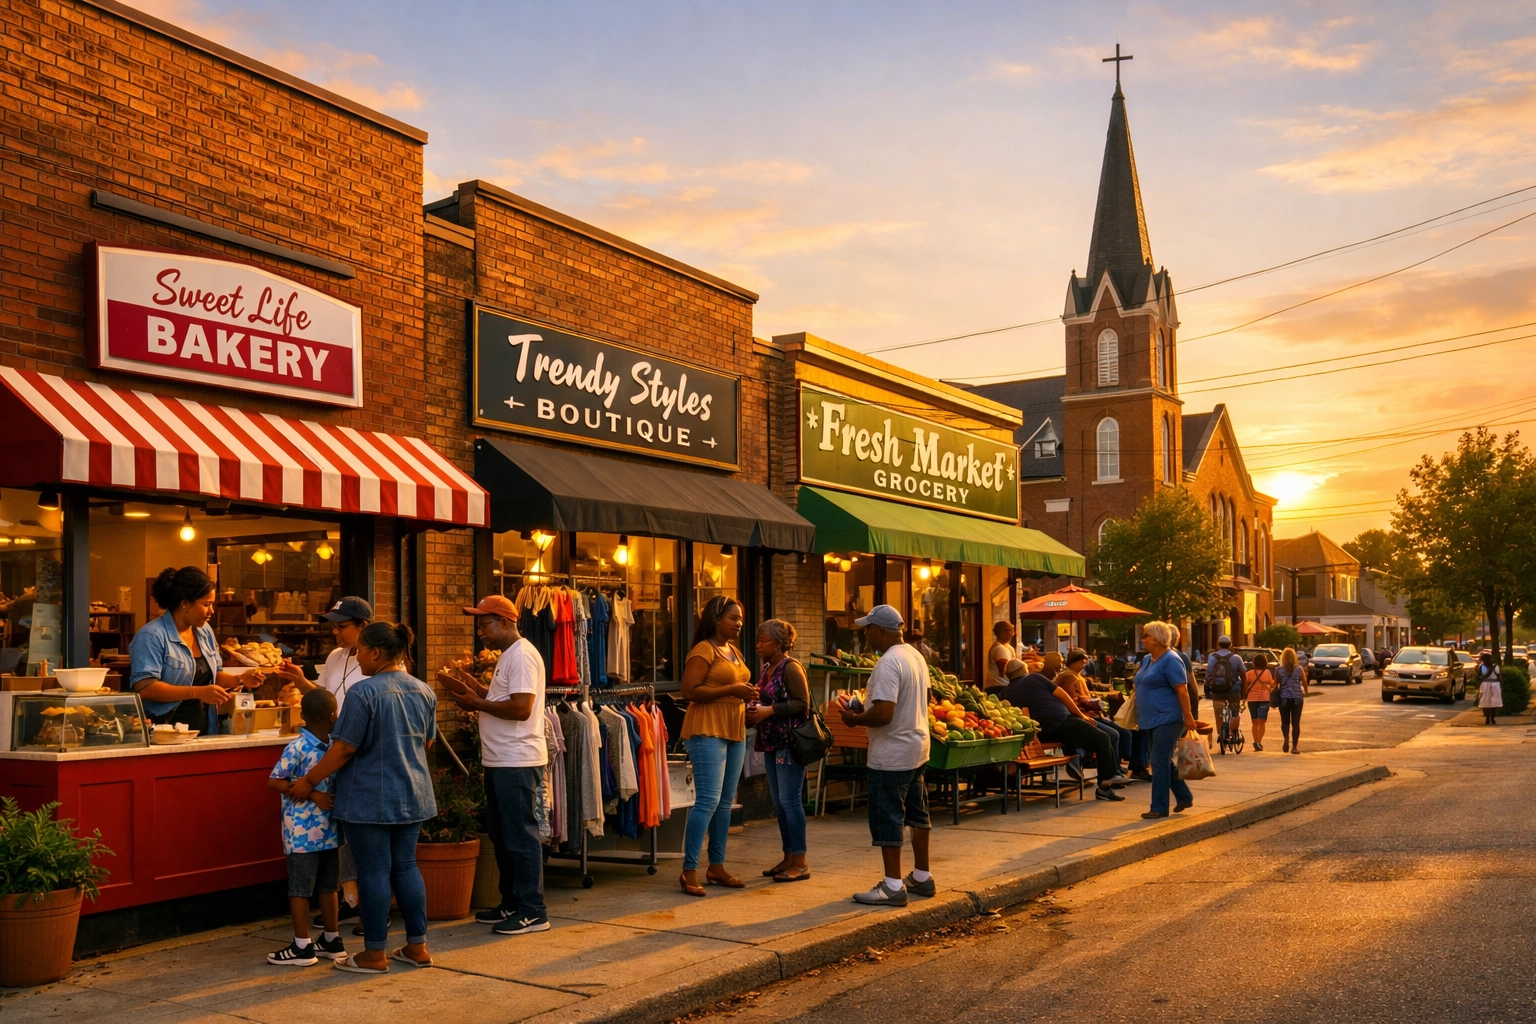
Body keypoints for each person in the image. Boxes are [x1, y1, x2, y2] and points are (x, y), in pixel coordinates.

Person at [289, 622, 437, 973]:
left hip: (369, 797)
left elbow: (342, 749)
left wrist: (308, 781)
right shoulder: (424, 690)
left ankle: (374, 953)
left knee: (373, 870)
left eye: (359, 652)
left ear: (376, 653)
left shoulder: (363, 693)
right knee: (406, 867)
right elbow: (427, 743)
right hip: (413, 793)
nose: (356, 658)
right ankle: (417, 947)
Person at [439, 595, 550, 935]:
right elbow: (505, 700)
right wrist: (475, 689)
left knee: (520, 836)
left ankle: (533, 909)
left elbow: (521, 709)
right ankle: (512, 902)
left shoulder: (521, 657)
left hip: (517, 759)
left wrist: (478, 703)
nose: (480, 632)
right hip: (501, 759)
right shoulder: (509, 657)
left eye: (484, 625)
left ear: (504, 621)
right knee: (503, 836)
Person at [270, 595, 374, 924]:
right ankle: (350, 900)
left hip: (358, 754)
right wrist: (301, 681)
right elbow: (324, 696)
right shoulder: (335, 657)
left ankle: (372, 907)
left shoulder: (374, 660)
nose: (336, 633)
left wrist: (310, 781)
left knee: (360, 834)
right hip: (331, 752)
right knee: (338, 831)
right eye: (333, 627)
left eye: (342, 627)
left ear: (364, 627)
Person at [839, 605, 935, 906]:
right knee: (918, 814)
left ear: (881, 630)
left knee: (888, 817)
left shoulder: (887, 663)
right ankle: (922, 876)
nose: (865, 634)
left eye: (868, 628)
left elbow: (884, 713)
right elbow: (927, 698)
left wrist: (855, 718)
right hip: (918, 746)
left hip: (890, 753)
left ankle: (892, 886)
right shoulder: (915, 656)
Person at [677, 596, 757, 897]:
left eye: (740, 619)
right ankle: (688, 870)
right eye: (733, 618)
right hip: (706, 729)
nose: (739, 623)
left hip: (734, 730)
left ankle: (717, 866)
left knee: (726, 803)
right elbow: (689, 690)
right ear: (715, 618)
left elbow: (733, 688)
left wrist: (746, 696)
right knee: (707, 801)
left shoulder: (733, 651)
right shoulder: (703, 649)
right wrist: (733, 689)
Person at [130, 566, 267, 734]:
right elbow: (145, 688)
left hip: (205, 729)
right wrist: (196, 692)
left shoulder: (204, 631)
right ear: (185, 604)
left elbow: (213, 674)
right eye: (206, 604)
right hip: (164, 732)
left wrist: (239, 679)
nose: (212, 611)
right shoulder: (152, 635)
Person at [266, 689, 345, 966]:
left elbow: (274, 781)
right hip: (319, 832)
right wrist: (313, 794)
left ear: (302, 715)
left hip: (305, 834)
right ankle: (329, 940)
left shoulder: (301, 747)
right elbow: (276, 782)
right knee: (326, 887)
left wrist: (310, 793)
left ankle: (305, 945)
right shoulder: (332, 748)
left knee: (306, 888)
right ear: (334, 715)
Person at [1003, 658, 1127, 796]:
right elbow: (1061, 694)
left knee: (1085, 737)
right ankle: (1105, 785)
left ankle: (1077, 757)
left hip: (1043, 733)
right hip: (1062, 721)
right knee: (1103, 738)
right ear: (1023, 669)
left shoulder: (1006, 692)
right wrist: (1081, 715)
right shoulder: (1034, 678)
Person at [747, 619, 811, 883]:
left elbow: (802, 703)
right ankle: (787, 856)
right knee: (779, 803)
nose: (758, 645)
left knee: (790, 801)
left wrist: (769, 710)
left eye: (763, 640)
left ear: (778, 643)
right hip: (770, 742)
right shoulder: (767, 667)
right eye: (758, 639)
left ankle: (801, 861)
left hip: (789, 742)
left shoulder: (791, 668)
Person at [1134, 621, 1200, 819]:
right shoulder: (1147, 659)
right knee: (1161, 759)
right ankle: (1184, 795)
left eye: (1147, 635)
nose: (1143, 638)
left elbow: (1182, 690)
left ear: (1158, 638)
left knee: (1158, 761)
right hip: (1149, 718)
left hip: (1168, 717)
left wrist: (1189, 717)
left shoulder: (1171, 659)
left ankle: (1159, 807)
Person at [1056, 649, 1132, 781]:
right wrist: (1092, 704)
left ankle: (1116, 768)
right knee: (1113, 734)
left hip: (1087, 714)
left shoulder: (1077, 677)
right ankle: (1110, 772)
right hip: (1082, 715)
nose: (1085, 665)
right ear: (1074, 662)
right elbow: (1073, 698)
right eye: (1082, 662)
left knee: (1124, 732)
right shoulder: (1069, 677)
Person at [1205, 636, 1246, 748]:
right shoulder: (1236, 658)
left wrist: (1209, 685)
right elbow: (1243, 674)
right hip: (1233, 690)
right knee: (1235, 713)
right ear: (1230, 644)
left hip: (1217, 690)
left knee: (1219, 714)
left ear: (1218, 644)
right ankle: (1233, 734)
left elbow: (1208, 674)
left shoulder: (1212, 657)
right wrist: (1244, 689)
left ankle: (1221, 736)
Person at [1274, 647, 1308, 754]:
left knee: (1285, 722)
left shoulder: (1278, 670)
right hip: (1297, 698)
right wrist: (1306, 692)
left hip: (1284, 698)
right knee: (1296, 723)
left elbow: (1276, 683)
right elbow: (1304, 681)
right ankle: (1294, 747)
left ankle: (1286, 737)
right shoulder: (1299, 669)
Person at [1243, 653, 1276, 751]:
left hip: (1252, 699)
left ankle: (1255, 741)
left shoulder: (1249, 674)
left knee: (1254, 722)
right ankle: (1259, 742)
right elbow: (1272, 683)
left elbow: (1245, 686)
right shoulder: (1267, 672)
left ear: (1254, 662)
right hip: (1264, 699)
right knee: (1261, 722)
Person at [985, 621, 1017, 691]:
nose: (1012, 634)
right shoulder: (999, 648)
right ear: (1002, 632)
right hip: (998, 687)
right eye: (1010, 630)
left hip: (1004, 686)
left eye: (1013, 631)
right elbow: (1005, 669)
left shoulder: (1008, 647)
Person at [1476, 652, 1503, 725]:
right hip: (1495, 685)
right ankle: (1492, 718)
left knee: (1486, 703)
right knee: (1494, 703)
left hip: (1485, 685)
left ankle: (1487, 718)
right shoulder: (1496, 666)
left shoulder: (1481, 666)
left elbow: (1479, 677)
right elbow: (1499, 675)